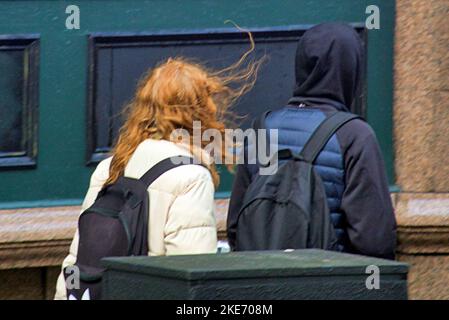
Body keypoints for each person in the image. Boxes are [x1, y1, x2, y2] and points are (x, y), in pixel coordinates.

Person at [55, 50, 260, 299]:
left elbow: (78, 256)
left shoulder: (110, 167)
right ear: (199, 113)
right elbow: (191, 271)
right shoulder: (190, 176)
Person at [227, 23, 397, 259]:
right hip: (329, 284)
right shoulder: (355, 135)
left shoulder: (260, 129)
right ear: (350, 71)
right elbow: (374, 240)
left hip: (261, 284)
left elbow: (236, 226)